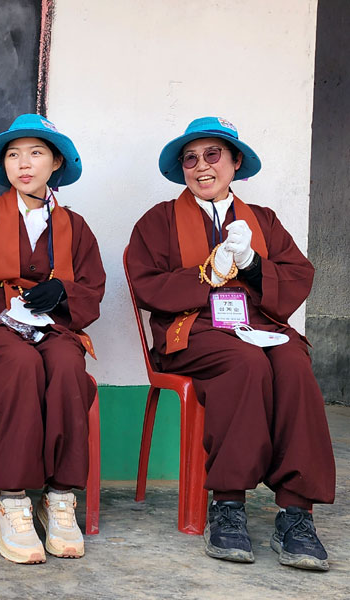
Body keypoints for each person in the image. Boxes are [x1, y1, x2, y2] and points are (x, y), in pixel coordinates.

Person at [127, 116, 334, 571]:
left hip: (256, 323)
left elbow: (298, 275)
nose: (202, 166)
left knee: (294, 364)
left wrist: (254, 266)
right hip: (192, 328)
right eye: (191, 158)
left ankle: (296, 511)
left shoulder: (263, 221)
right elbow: (147, 284)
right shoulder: (159, 220)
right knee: (246, 364)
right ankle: (228, 504)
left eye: (213, 155)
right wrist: (207, 273)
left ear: (235, 162)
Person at [0, 114, 105, 564]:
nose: (23, 163)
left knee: (67, 366)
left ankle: (61, 496)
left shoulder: (76, 225)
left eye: (35, 153)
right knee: (20, 364)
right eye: (13, 154)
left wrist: (63, 291)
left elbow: (92, 287)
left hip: (53, 324)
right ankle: (11, 500)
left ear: (56, 163)